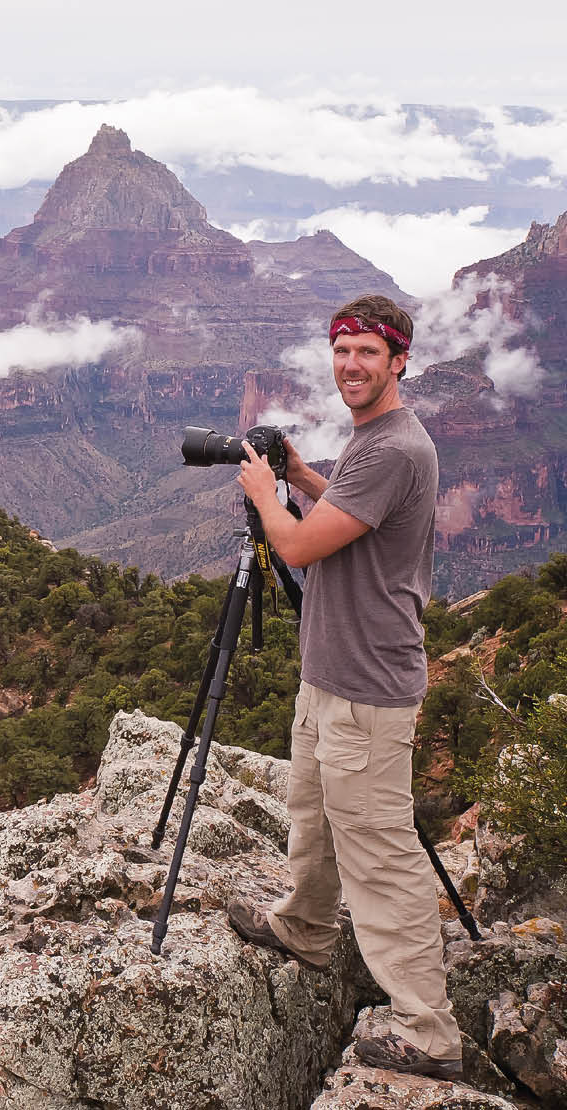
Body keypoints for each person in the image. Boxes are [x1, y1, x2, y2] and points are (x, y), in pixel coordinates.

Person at [225, 293, 461, 1079]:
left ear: (400, 362)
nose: (352, 365)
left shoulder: (396, 447)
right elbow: (352, 514)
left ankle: (429, 1031)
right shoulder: (374, 443)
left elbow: (294, 548)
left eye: (368, 353)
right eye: (343, 351)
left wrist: (266, 494)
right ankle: (306, 928)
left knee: (381, 855)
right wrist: (297, 472)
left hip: (367, 686)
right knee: (314, 820)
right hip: (329, 674)